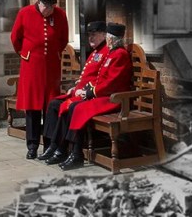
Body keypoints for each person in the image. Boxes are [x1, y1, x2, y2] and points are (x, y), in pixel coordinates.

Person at [46, 22, 132, 170]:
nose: (108, 41)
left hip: (114, 99)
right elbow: (101, 79)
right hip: (105, 96)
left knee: (76, 108)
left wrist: (90, 92)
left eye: (109, 38)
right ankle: (70, 150)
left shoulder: (120, 55)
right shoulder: (113, 53)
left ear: (111, 39)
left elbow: (112, 82)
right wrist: (87, 89)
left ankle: (76, 153)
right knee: (73, 106)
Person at [10, 0, 69, 159]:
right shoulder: (25, 13)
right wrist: (25, 53)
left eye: (51, 7)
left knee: (50, 107)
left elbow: (63, 38)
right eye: (46, 6)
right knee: (32, 108)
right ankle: (32, 145)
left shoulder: (60, 14)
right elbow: (15, 37)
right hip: (31, 67)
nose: (48, 10)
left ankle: (50, 145)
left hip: (51, 68)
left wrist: (55, 52)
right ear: (39, 2)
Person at [37, 20, 108, 163]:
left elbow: (101, 79)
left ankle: (61, 148)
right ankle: (52, 144)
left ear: (104, 35)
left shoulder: (106, 52)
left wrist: (83, 90)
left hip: (90, 96)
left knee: (69, 107)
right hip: (80, 92)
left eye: (94, 34)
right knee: (53, 104)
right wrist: (76, 87)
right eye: (89, 35)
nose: (91, 38)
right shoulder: (96, 52)